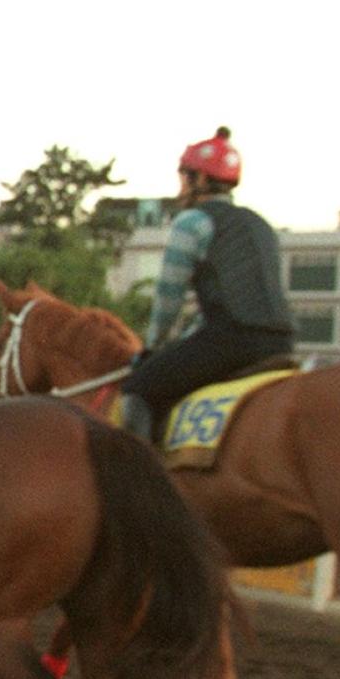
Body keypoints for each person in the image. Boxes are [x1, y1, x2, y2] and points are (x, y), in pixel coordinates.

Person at [116, 128, 294, 443]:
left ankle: (141, 477)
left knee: (139, 388)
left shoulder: (191, 222)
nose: (180, 188)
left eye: (184, 177)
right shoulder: (261, 224)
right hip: (282, 341)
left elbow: (169, 298)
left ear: (199, 180)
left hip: (231, 339)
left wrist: (153, 348)